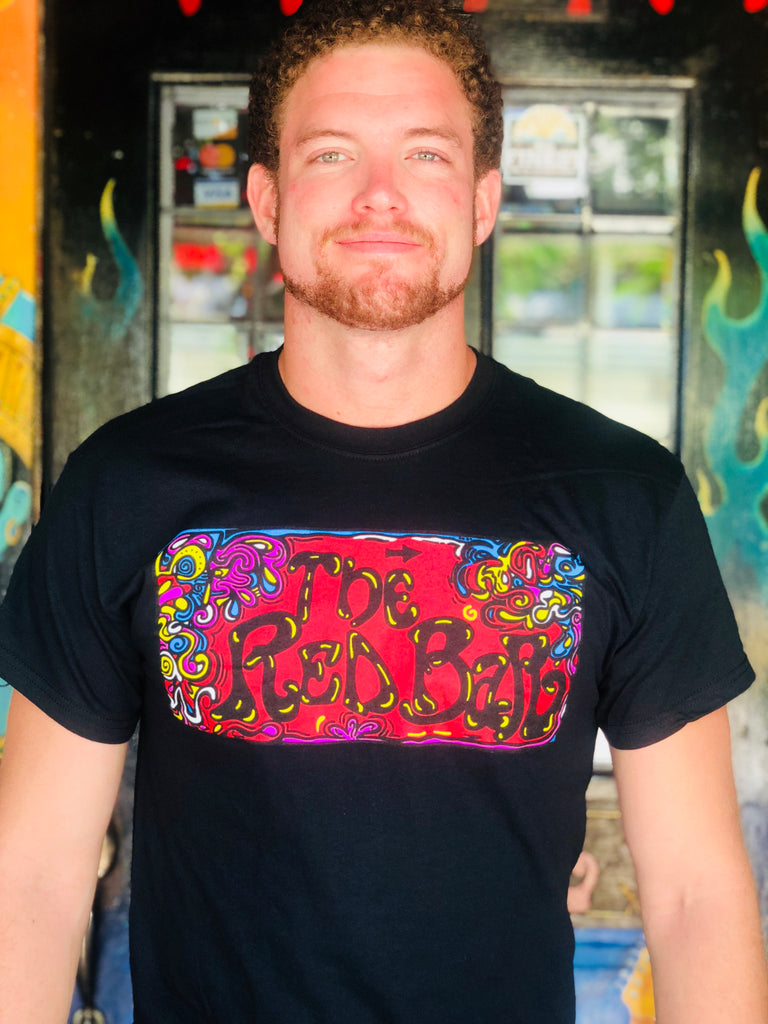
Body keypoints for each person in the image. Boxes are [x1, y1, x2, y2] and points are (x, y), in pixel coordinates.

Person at [0, 1, 766, 1020]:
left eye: (425, 155)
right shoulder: (126, 483)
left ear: (482, 200)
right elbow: (33, 874)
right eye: (331, 154)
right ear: (266, 200)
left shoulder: (622, 494)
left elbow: (695, 896)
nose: (378, 195)